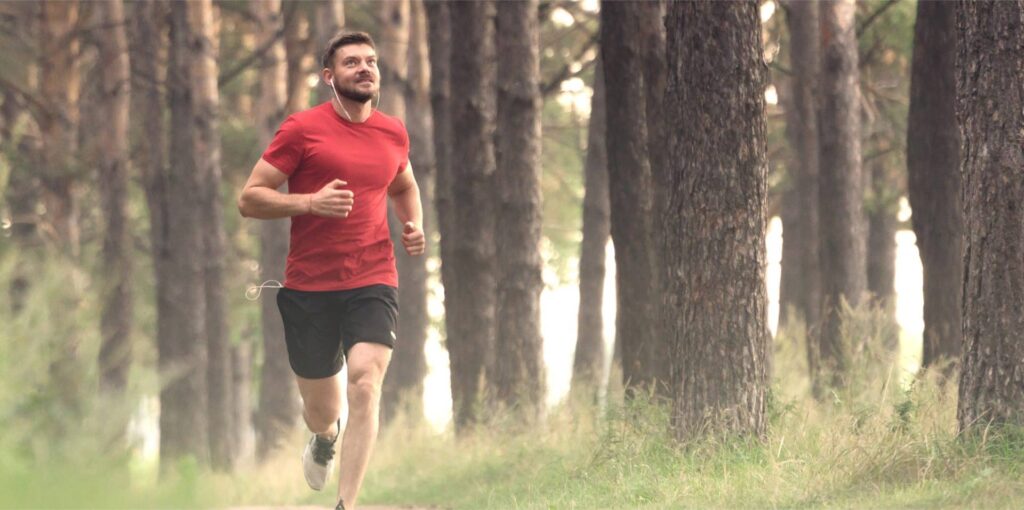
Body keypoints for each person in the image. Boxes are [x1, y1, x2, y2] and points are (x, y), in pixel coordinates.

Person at [237, 31, 425, 510]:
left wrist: (413, 224)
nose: (365, 68)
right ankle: (324, 437)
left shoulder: (393, 131)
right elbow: (250, 197)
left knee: (365, 381)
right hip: (309, 286)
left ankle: (346, 504)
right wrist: (310, 203)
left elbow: (403, 183)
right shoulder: (302, 129)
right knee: (324, 411)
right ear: (329, 77)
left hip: (373, 276)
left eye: (371, 61)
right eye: (351, 63)